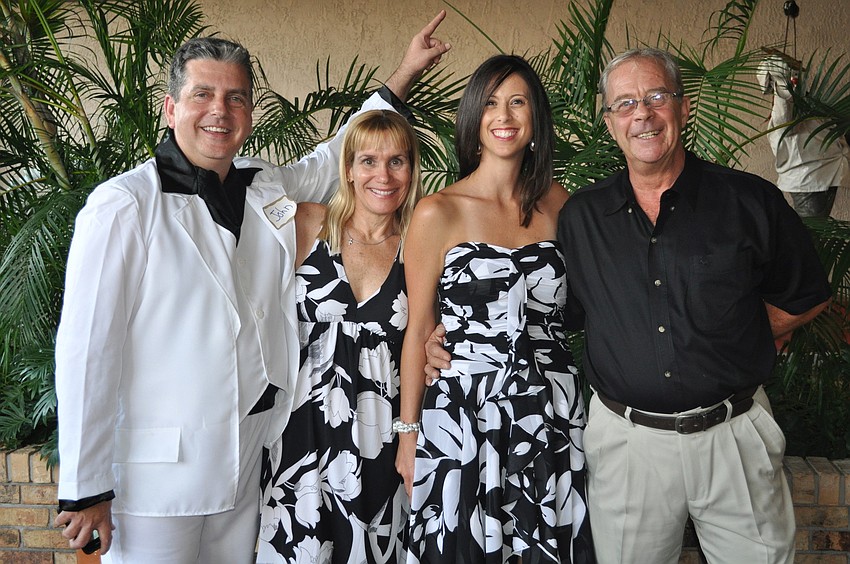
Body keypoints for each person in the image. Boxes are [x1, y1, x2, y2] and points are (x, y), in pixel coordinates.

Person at [52, 13, 450, 563]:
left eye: (236, 98)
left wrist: (403, 73)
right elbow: (87, 352)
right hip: (156, 484)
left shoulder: (264, 186)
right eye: (203, 94)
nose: (220, 110)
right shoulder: (123, 206)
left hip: (248, 470)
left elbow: (336, 157)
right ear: (171, 109)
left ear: (250, 113)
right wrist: (85, 487)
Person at [427, 47, 831, 563]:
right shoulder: (582, 216)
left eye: (656, 96)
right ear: (610, 120)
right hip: (627, 445)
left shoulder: (749, 202)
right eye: (625, 103)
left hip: (734, 438)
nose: (642, 113)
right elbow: (539, 306)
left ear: (684, 109)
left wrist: (745, 332)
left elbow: (807, 295)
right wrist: (438, 336)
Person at [397, 54, 595, 563]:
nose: (503, 116)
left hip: (550, 409)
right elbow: (419, 327)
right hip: (464, 414)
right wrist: (408, 434)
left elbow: (593, 302)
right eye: (490, 103)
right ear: (473, 118)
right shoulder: (438, 211)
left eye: (517, 103)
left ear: (534, 120)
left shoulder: (559, 204)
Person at [256, 109, 422, 563]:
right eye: (368, 161)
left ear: (412, 169)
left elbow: (433, 327)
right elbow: (245, 191)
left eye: (397, 161)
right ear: (347, 168)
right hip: (300, 432)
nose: (382, 175)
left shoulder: (422, 243)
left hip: (383, 436)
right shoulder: (308, 223)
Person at [757, 55, 850, 218]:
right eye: (792, 77)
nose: (796, 80)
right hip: (808, 180)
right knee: (810, 230)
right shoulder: (784, 113)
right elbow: (783, 109)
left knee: (817, 226)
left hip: (826, 176)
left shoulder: (810, 107)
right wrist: (781, 83)